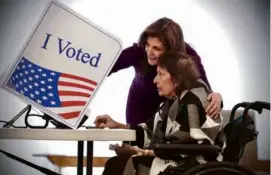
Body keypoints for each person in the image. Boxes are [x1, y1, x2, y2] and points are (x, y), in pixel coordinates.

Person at [95, 51, 222, 175]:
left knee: (122, 164)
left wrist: (139, 151)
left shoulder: (192, 101)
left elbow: (183, 145)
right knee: (116, 163)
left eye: (160, 74)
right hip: (175, 160)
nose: (155, 80)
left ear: (177, 78)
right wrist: (117, 125)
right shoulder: (171, 102)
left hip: (193, 165)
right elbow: (149, 132)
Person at [107, 17, 222, 127]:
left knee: (164, 141)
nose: (149, 52)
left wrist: (216, 97)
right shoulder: (138, 51)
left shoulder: (188, 57)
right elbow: (106, 67)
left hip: (170, 107)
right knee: (136, 139)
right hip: (140, 103)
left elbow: (204, 90)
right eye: (148, 45)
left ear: (171, 51)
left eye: (156, 48)